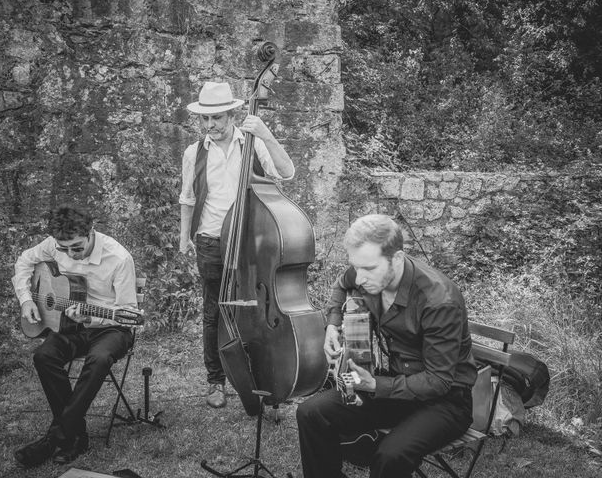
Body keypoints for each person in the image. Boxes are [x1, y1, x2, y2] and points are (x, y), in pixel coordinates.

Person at [296, 214, 477, 478]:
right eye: (356, 267)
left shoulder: (439, 301)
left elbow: (439, 381)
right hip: (394, 387)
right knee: (311, 412)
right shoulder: (366, 273)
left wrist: (373, 385)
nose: (359, 279)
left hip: (445, 403)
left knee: (390, 455)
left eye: (368, 269)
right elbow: (342, 283)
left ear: (398, 259)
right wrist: (333, 325)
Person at [179, 81, 295, 408]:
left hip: (250, 240)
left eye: (217, 117)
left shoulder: (253, 144)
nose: (210, 125)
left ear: (231, 114)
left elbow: (286, 173)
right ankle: (216, 380)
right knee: (214, 310)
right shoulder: (194, 152)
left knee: (257, 310)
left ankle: (263, 378)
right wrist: (184, 235)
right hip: (211, 240)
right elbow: (187, 198)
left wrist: (266, 134)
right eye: (205, 119)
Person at [11, 205, 138, 468]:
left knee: (99, 359)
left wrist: (92, 317)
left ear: (91, 232)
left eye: (77, 247)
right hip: (69, 325)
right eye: (63, 248)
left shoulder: (119, 258)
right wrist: (26, 299)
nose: (70, 254)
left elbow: (128, 312)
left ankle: (56, 438)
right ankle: (76, 436)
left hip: (111, 328)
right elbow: (25, 260)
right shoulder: (54, 245)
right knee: (44, 356)